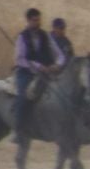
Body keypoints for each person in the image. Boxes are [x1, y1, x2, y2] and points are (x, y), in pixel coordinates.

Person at [12, 8, 61, 142]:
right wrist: (38, 66)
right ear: (28, 20)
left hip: (45, 74)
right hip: (26, 73)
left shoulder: (46, 36)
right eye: (35, 20)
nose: (38, 22)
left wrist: (57, 64)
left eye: (39, 20)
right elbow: (19, 59)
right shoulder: (22, 37)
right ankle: (18, 130)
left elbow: (59, 54)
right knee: (24, 96)